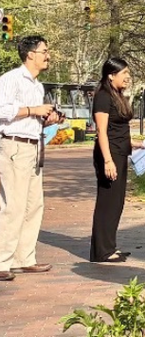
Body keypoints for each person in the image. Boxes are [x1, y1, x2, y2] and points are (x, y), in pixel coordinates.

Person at [0, 35, 62, 282]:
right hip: (14, 146)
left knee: (33, 205)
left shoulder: (38, 86)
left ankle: (24, 258)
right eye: (44, 51)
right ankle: (2, 260)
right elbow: (2, 110)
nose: (48, 55)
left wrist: (47, 118)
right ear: (30, 54)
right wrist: (33, 110)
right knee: (12, 205)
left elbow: (32, 118)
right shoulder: (10, 79)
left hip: (34, 147)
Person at [90, 57, 144, 263]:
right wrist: (107, 161)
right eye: (124, 74)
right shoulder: (103, 96)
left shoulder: (117, 95)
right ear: (111, 75)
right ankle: (101, 251)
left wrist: (135, 144)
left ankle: (109, 245)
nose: (128, 77)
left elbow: (118, 129)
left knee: (117, 202)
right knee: (108, 203)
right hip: (109, 154)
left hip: (120, 152)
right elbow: (102, 132)